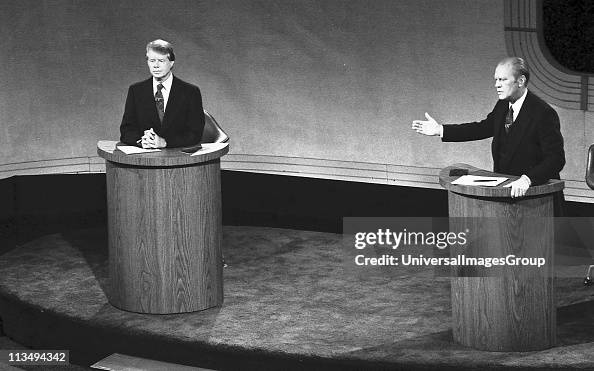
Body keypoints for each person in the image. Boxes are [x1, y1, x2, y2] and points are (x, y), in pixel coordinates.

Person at [411, 57, 565, 199]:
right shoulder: (503, 105)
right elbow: (483, 128)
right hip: (506, 192)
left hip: (538, 197)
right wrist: (441, 130)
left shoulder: (543, 113)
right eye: (496, 79)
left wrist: (528, 179)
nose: (496, 85)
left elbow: (556, 158)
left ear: (520, 81)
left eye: (503, 79)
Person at [120, 39, 205, 148]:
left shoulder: (190, 92)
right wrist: (141, 141)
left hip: (179, 157)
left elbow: (195, 133)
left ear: (171, 62)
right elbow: (126, 130)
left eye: (161, 61)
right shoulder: (136, 91)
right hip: (146, 157)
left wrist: (165, 142)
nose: (156, 65)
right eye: (152, 60)